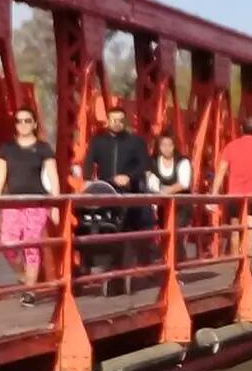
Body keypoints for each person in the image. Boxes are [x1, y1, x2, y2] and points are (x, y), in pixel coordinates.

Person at [0, 107, 60, 307]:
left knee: (31, 245)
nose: (23, 125)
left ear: (35, 124)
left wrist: (54, 205)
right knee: (7, 244)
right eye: (19, 121)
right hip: (12, 202)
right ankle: (23, 277)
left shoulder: (44, 148)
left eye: (27, 121)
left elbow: (53, 178)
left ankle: (29, 291)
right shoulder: (7, 149)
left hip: (37, 203)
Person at [82, 107, 153, 291]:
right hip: (106, 192)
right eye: (113, 120)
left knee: (126, 233)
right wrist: (87, 180)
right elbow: (89, 162)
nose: (117, 123)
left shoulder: (135, 141)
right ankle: (101, 271)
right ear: (108, 121)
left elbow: (145, 164)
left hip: (129, 193)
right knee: (102, 229)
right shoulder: (99, 141)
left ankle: (123, 274)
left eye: (120, 120)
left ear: (125, 121)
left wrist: (130, 176)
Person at [209, 118, 252, 255]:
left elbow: (221, 171)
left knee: (235, 231)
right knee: (250, 232)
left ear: (242, 130)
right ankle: (247, 269)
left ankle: (236, 266)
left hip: (235, 195)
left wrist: (214, 194)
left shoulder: (231, 146)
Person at [146, 133, 192, 262]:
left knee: (175, 234)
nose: (166, 148)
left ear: (174, 146)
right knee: (165, 233)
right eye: (163, 145)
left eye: (169, 145)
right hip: (163, 205)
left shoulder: (183, 161)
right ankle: (167, 261)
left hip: (181, 205)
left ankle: (174, 266)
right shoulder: (153, 161)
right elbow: (149, 178)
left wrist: (166, 191)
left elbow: (183, 183)